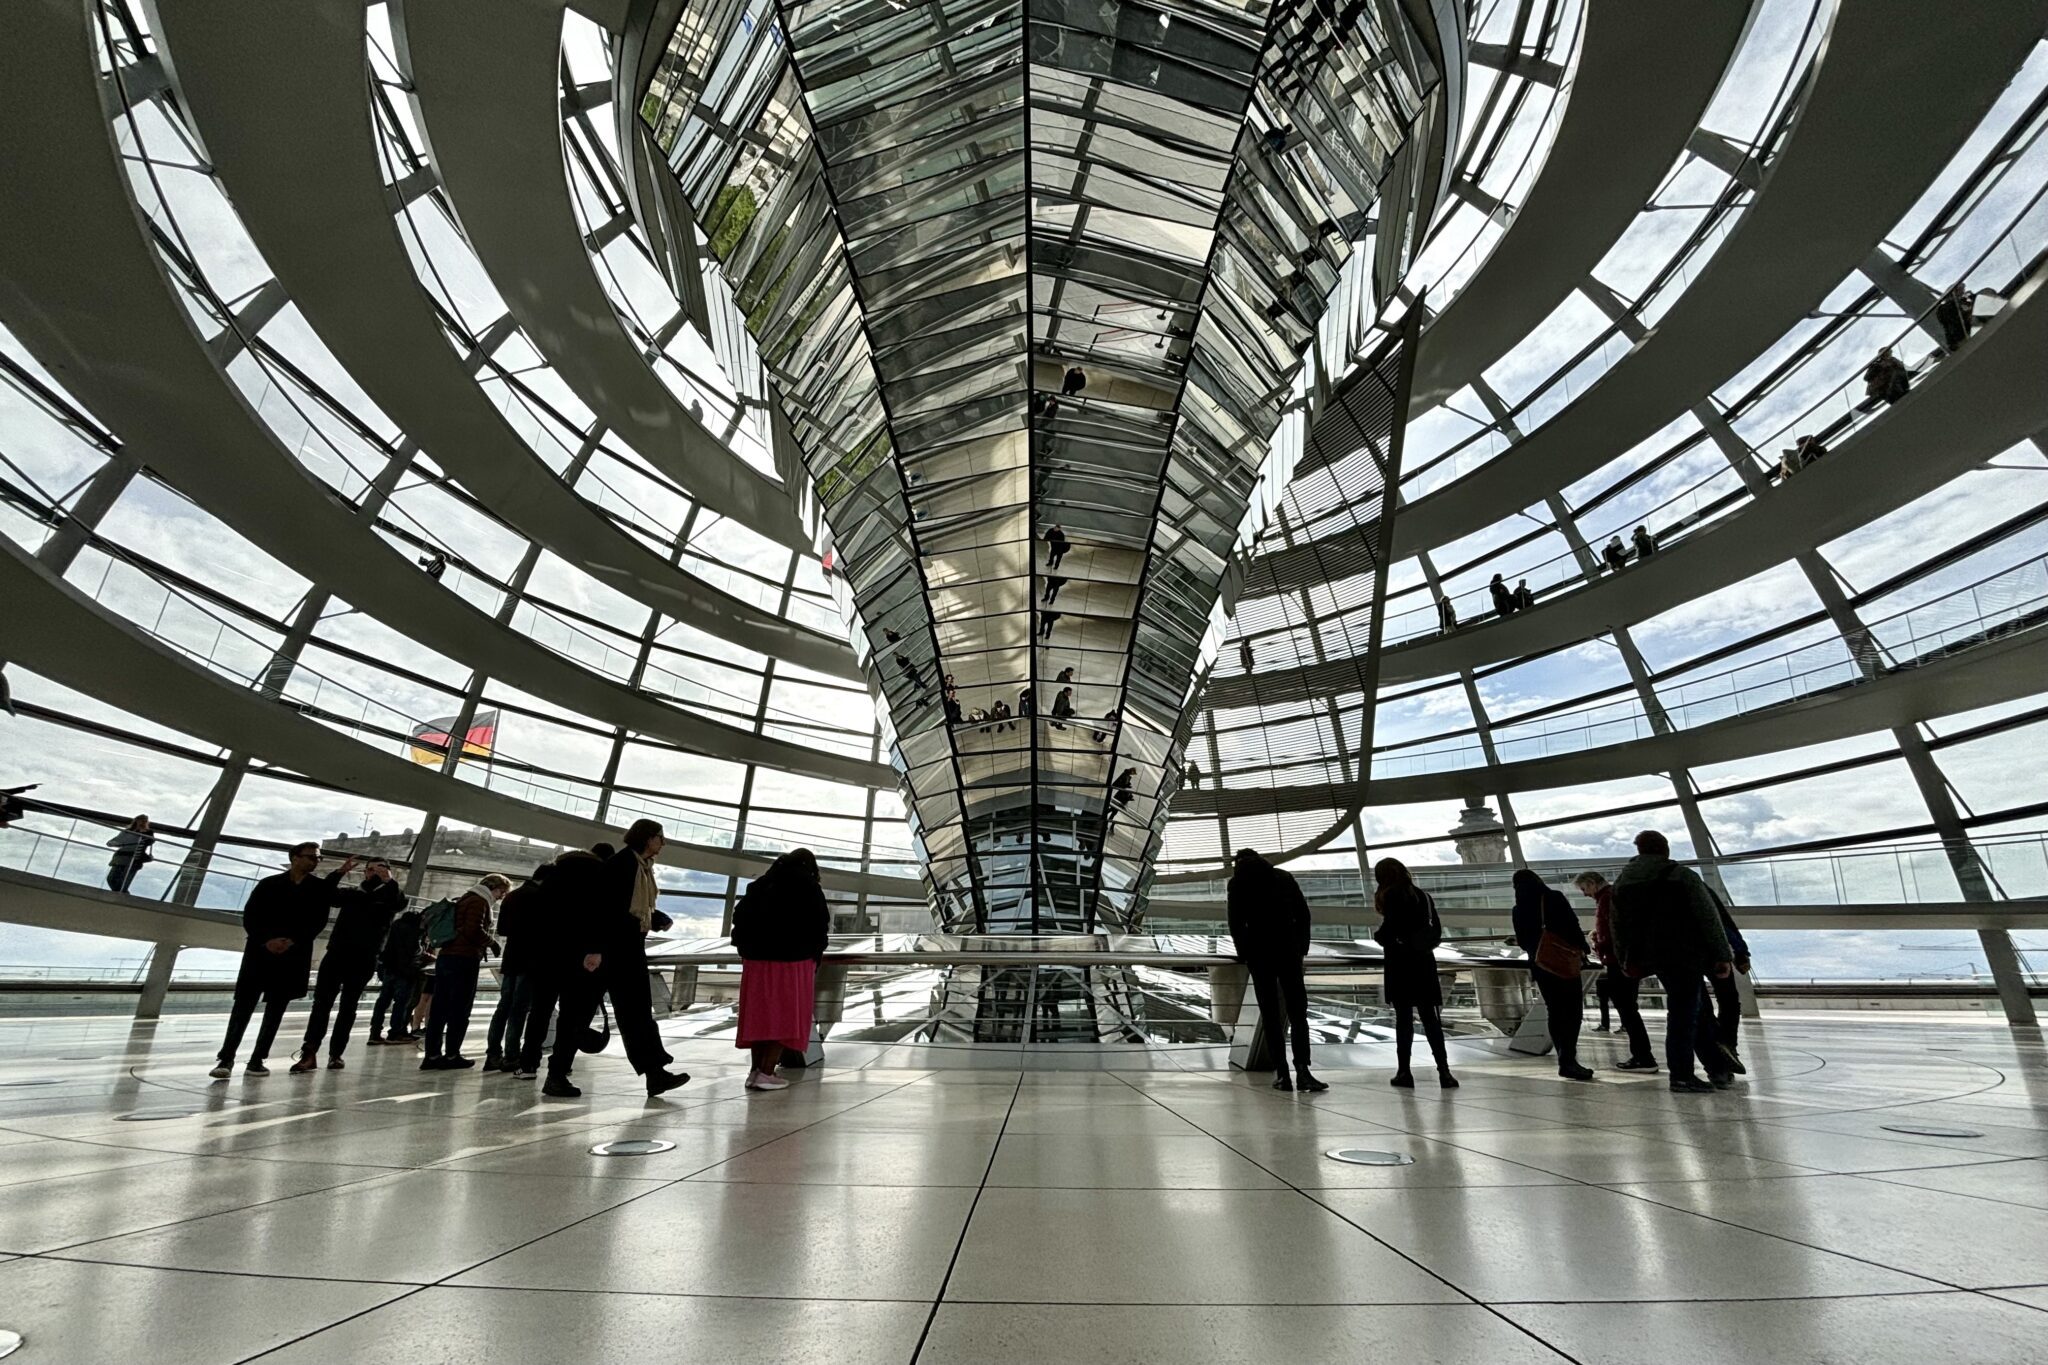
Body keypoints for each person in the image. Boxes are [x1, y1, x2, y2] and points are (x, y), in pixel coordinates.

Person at [544, 822, 690, 1098]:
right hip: (607, 951)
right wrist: (594, 949)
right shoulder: (622, 865)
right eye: (660, 837)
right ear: (647, 839)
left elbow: (630, 910)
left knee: (638, 1014)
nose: (663, 843)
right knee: (579, 1015)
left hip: (627, 949)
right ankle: (557, 1073)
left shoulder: (641, 868)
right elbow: (601, 910)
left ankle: (655, 1073)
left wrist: (654, 919)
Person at [209, 843, 355, 1078]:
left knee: (276, 1009)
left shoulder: (317, 888)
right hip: (261, 952)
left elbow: (318, 919)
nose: (315, 861)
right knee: (244, 1006)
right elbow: (252, 916)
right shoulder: (269, 884)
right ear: (295, 858)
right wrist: (267, 940)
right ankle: (226, 1058)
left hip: (291, 954)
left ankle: (257, 1059)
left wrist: (290, 941)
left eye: (318, 858)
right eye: (311, 857)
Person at [1611, 830, 1735, 1093]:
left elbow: (1616, 925)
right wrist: (1722, 954)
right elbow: (1708, 918)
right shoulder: (1681, 876)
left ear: (1639, 850)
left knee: (1694, 1011)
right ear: (1665, 849)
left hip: (1649, 956)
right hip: (1685, 954)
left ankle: (1716, 1067)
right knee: (1684, 1014)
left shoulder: (1623, 882)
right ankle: (1681, 1075)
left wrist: (1624, 958)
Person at [291, 857, 405, 1071]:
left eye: (379, 870)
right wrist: (339, 872)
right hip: (337, 954)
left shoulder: (390, 896)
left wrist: (388, 881)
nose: (373, 873)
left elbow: (398, 903)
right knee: (321, 1004)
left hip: (364, 957)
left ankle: (336, 1054)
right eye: (370, 869)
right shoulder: (353, 894)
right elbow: (326, 894)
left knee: (348, 1006)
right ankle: (310, 1050)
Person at [733, 848, 831, 1091]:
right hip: (792, 961)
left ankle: (755, 1072)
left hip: (756, 961)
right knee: (783, 1016)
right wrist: (815, 952)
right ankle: (767, 1072)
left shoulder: (760, 885)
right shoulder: (808, 886)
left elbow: (740, 917)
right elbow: (819, 923)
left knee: (760, 1015)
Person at [1227, 848, 1324, 1091]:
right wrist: (1301, 946)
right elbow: (1303, 914)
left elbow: (1235, 922)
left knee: (1270, 1015)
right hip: (1289, 952)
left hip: (1260, 955)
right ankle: (1303, 1070)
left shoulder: (1238, 883)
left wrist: (1245, 953)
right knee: (1298, 1013)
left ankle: (1282, 1074)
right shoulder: (1283, 877)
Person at [516, 842, 609, 1082]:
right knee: (570, 1017)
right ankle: (559, 1069)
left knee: (539, 1012)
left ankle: (528, 1064)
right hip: (579, 962)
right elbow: (600, 921)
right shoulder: (595, 887)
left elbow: (534, 927)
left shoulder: (548, 887)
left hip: (546, 960)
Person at [1372, 858, 1455, 1088]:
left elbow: (1389, 931)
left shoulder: (1392, 896)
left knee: (1404, 1020)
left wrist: (1379, 937)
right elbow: (1435, 932)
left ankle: (1404, 1072)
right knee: (1430, 1019)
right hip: (1424, 963)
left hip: (1401, 965)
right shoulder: (1423, 896)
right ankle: (1445, 1072)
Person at [1511, 868, 1593, 1081]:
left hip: (1541, 965)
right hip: (1563, 962)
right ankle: (1569, 1058)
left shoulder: (1518, 909)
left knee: (1554, 1011)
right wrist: (1584, 948)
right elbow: (1572, 925)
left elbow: (1522, 941)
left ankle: (1563, 1059)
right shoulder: (1552, 897)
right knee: (1572, 1011)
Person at [419, 874, 507, 1070]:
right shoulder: (479, 901)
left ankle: (432, 1055)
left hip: (447, 957)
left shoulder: (465, 898)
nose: (501, 897)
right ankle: (452, 1055)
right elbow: (472, 929)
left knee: (440, 1008)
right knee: (460, 1009)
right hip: (464, 959)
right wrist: (491, 943)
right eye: (502, 891)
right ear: (493, 887)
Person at [1577, 870, 1656, 1071]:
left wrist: (1599, 945)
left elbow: (1613, 933)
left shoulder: (1607, 899)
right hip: (1628, 961)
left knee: (1627, 1009)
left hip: (1618, 963)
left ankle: (1643, 1057)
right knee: (1629, 1009)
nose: (1585, 894)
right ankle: (1642, 1055)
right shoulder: (1615, 897)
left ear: (1592, 883)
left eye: (1584, 889)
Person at [483, 862, 551, 1072]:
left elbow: (503, 929)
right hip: (531, 960)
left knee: (504, 1007)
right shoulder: (540, 897)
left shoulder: (512, 896)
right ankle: (512, 1055)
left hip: (512, 957)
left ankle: (493, 1054)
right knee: (519, 1009)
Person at [1695, 887, 1752, 1075]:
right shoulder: (1692, 883)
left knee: (1701, 1008)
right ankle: (1727, 1045)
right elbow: (1721, 920)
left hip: (1683, 956)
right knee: (1729, 1000)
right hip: (1715, 951)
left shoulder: (1642, 889)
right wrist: (1740, 951)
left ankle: (1717, 1062)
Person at [367, 897, 427, 1045]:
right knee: (401, 1003)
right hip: (405, 971)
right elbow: (412, 952)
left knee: (383, 1001)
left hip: (388, 968)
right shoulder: (415, 932)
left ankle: (375, 1032)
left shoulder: (397, 925)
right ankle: (396, 1033)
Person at [105, 815, 153, 893]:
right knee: (112, 879)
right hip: (121, 859)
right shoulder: (128, 831)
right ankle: (122, 897)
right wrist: (117, 843)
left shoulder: (148, 833)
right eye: (140, 820)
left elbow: (150, 841)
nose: (141, 822)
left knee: (122, 884)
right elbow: (113, 842)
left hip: (134, 860)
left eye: (143, 821)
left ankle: (122, 897)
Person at [1934, 282, 1974, 352]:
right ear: (1954, 293)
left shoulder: (1964, 301)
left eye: (1963, 290)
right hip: (1961, 337)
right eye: (1961, 290)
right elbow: (1956, 320)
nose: (1963, 292)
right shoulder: (1944, 308)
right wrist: (1969, 313)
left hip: (1969, 331)